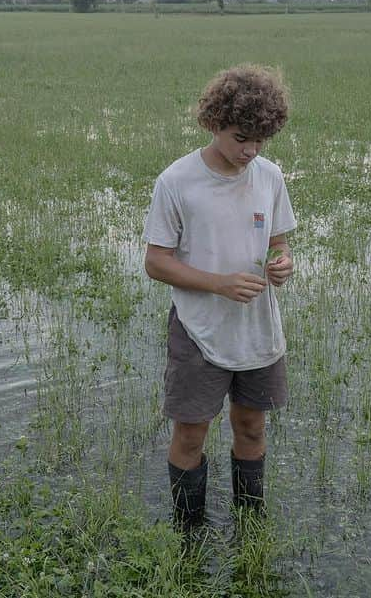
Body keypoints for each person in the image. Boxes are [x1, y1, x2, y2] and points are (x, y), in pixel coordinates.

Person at [142, 64, 296, 531]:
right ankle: (189, 532)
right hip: (199, 332)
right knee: (191, 435)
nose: (250, 150)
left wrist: (282, 263)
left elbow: (280, 241)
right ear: (214, 124)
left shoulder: (269, 176)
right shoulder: (177, 181)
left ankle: (250, 526)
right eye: (240, 137)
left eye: (260, 141)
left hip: (257, 331)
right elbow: (156, 262)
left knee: (251, 428)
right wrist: (219, 284)